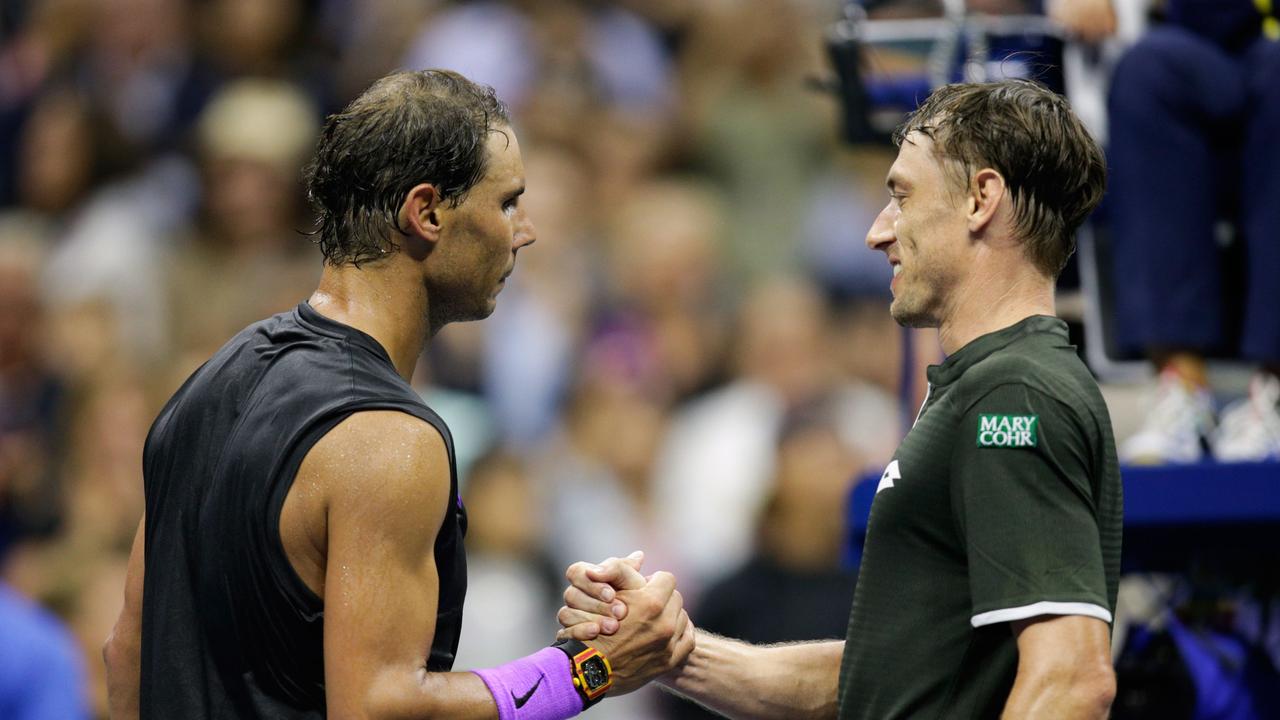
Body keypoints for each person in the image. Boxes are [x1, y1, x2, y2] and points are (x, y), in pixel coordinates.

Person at [103, 69, 693, 719]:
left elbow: (127, 655)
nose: (523, 232)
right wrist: (588, 670)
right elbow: (381, 708)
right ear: (428, 212)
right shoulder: (390, 438)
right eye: (505, 203)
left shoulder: (208, 383)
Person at [559, 78, 1122, 719]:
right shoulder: (985, 392)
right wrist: (670, 651)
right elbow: (875, 682)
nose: (877, 233)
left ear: (980, 199)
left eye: (902, 197)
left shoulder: (1010, 399)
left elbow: (1072, 679)